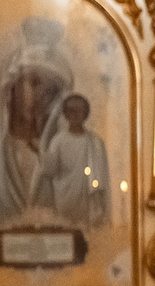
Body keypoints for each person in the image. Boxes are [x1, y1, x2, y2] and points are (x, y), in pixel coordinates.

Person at [0, 20, 75, 229]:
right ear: (10, 88)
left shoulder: (65, 164)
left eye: (51, 92)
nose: (40, 97)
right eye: (34, 83)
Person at [39, 94, 112, 226]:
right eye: (71, 110)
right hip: (65, 197)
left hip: (88, 199)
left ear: (85, 113)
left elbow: (103, 176)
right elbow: (51, 169)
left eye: (79, 110)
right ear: (66, 114)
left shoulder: (95, 142)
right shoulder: (59, 141)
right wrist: (41, 154)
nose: (75, 115)